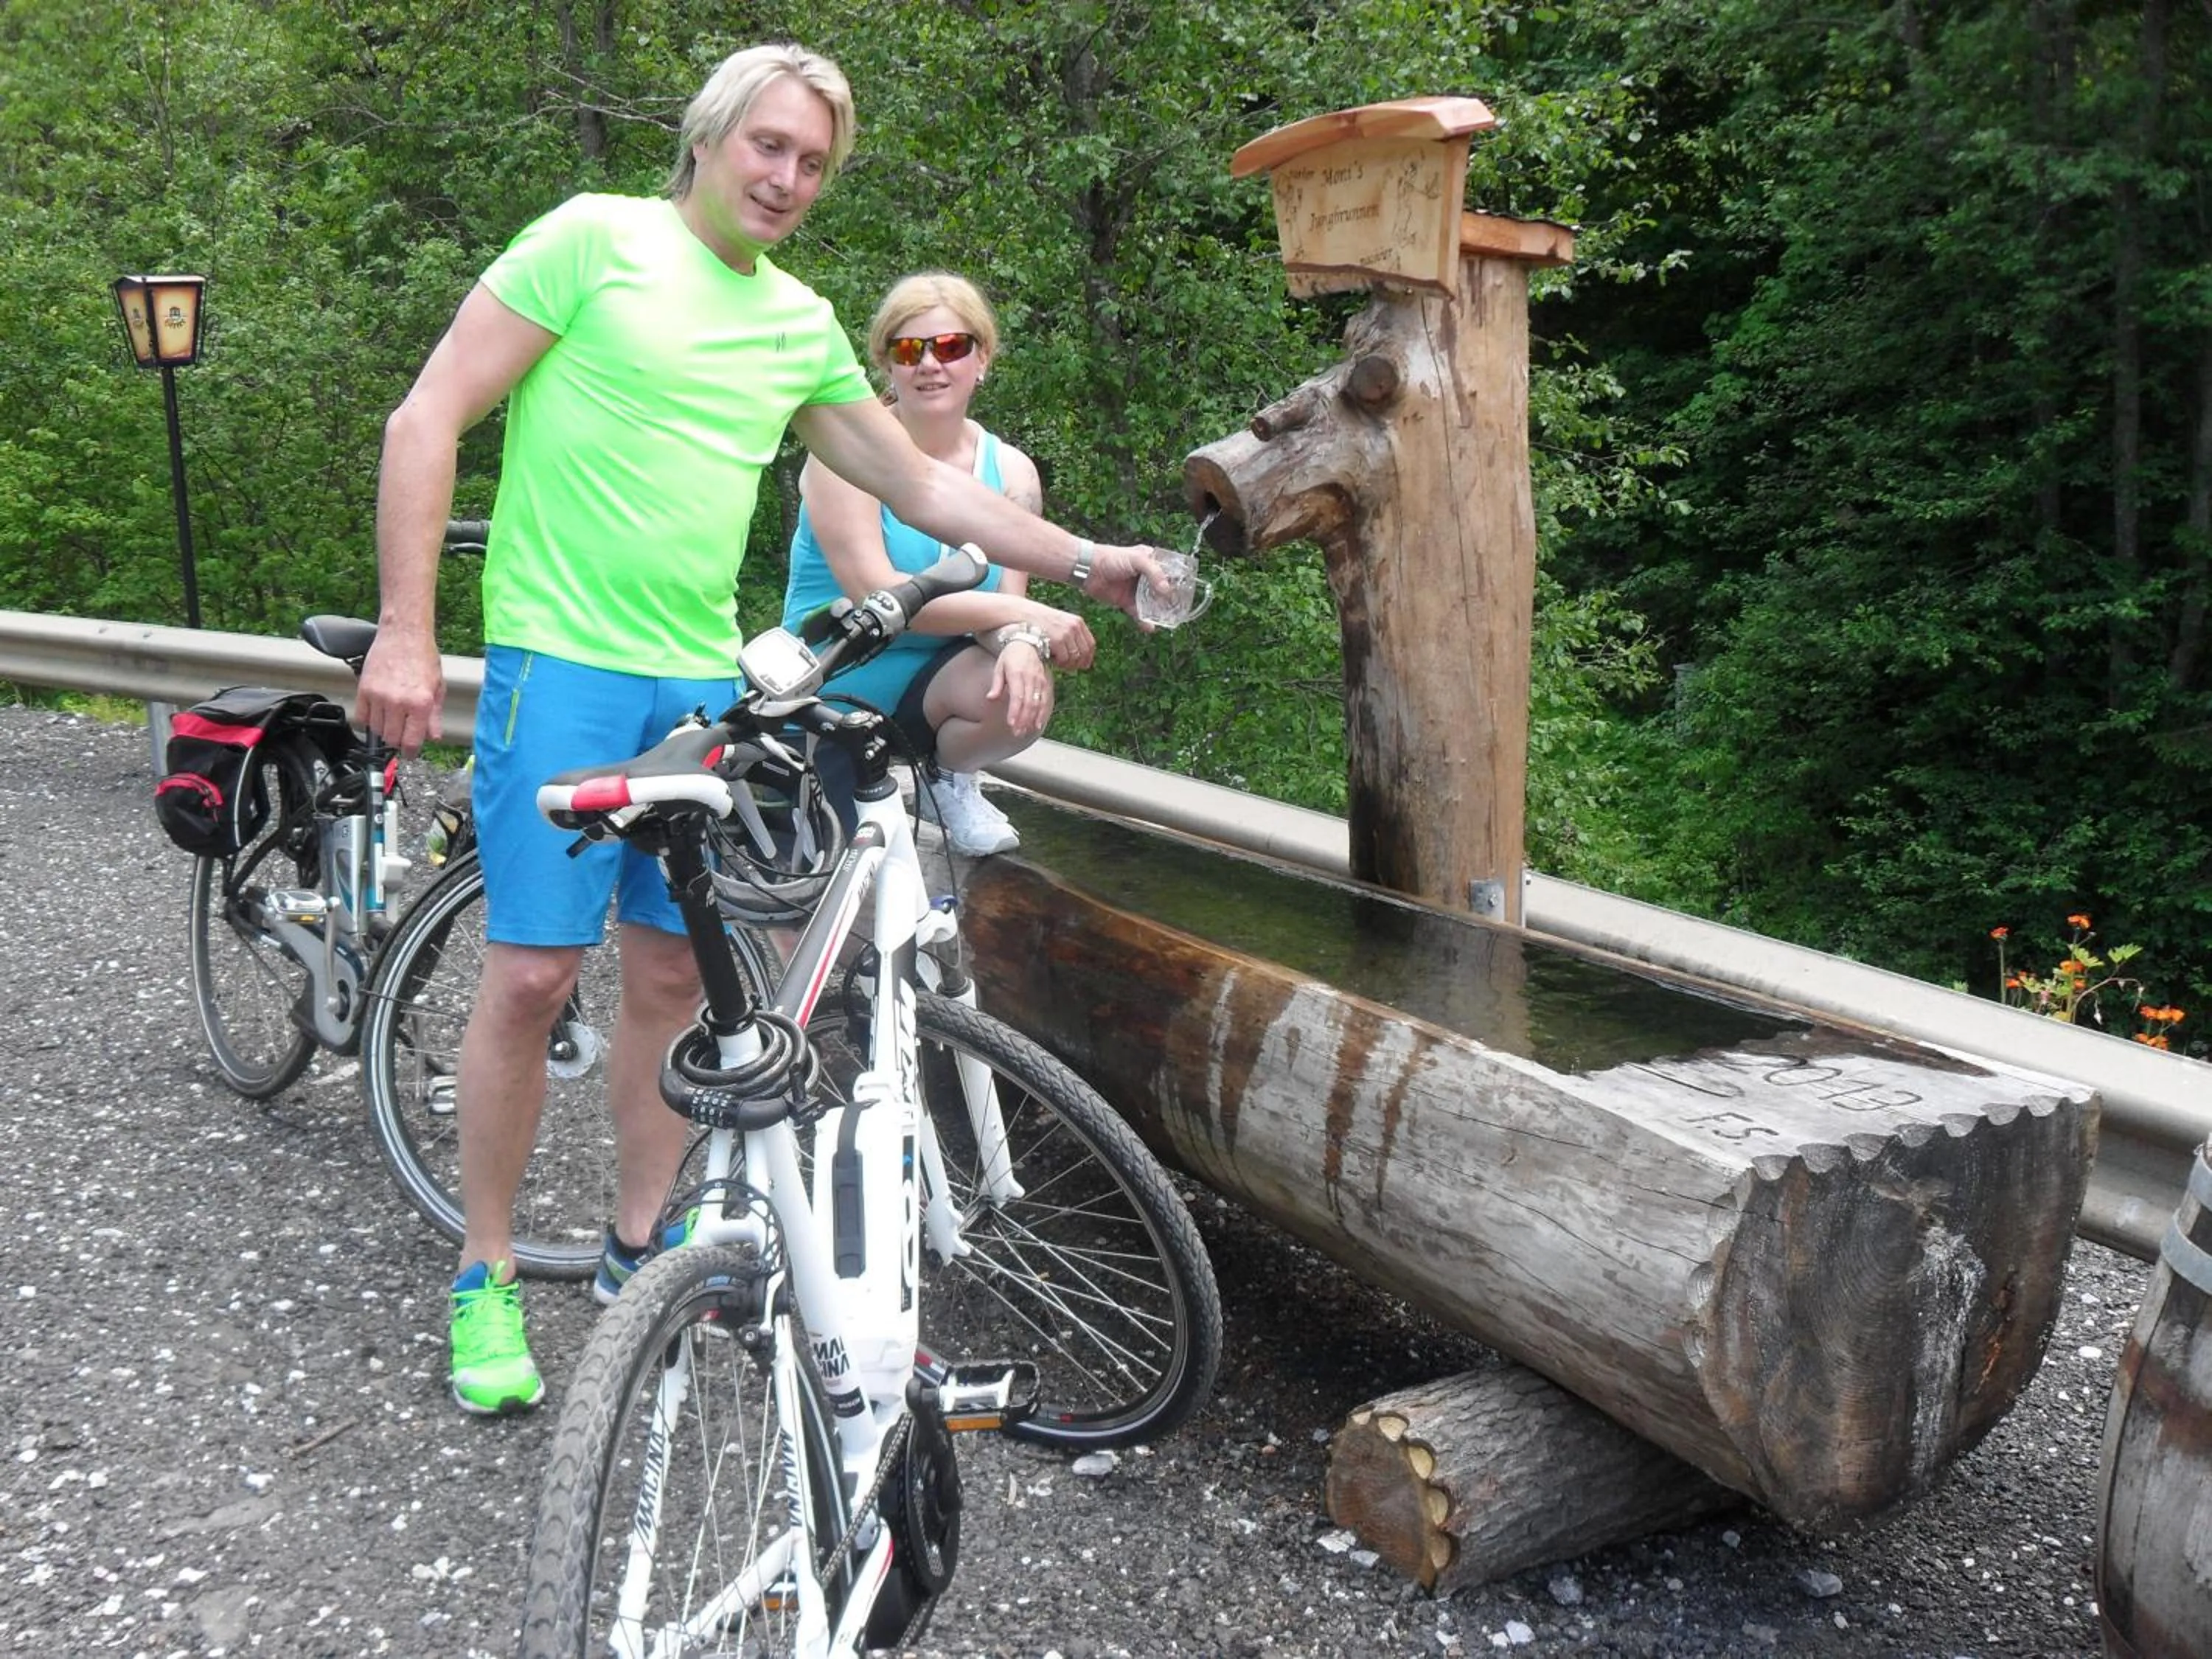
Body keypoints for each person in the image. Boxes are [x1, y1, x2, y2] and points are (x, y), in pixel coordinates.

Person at [354, 42, 1167, 1417]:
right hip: (561, 668)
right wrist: (407, 627)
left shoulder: (794, 323)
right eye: (768, 146)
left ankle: (637, 1253)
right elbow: (426, 414)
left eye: (811, 162)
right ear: (711, 136)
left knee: (675, 986)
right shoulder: (590, 244)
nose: (787, 177)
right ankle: (486, 1275)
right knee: (536, 979)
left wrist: (1095, 562)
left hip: (700, 685)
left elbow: (927, 486)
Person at [783, 273, 1092, 855]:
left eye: (950, 347)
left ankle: (952, 779)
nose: (930, 364)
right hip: (839, 667)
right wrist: (1032, 618)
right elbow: (879, 595)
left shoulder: (1013, 471)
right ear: (887, 365)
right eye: (909, 349)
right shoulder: (845, 456)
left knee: (1020, 684)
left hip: (940, 677)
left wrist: (1023, 639)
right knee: (835, 887)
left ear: (982, 360)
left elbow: (1005, 607)